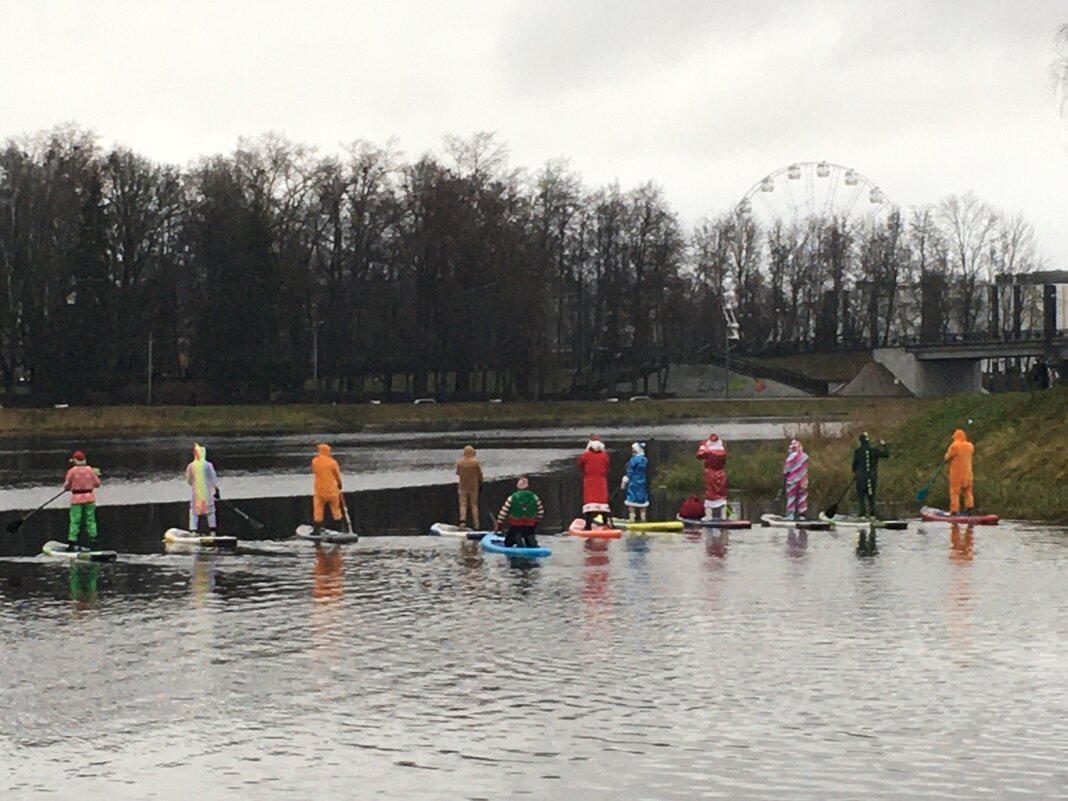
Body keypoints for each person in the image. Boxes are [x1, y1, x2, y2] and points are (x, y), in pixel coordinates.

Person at [64, 450, 101, 550]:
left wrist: (68, 487)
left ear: (75, 460)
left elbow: (67, 486)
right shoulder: (90, 470)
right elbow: (97, 484)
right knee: (90, 519)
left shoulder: (72, 471)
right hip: (90, 498)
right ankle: (93, 539)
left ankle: (72, 541)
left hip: (76, 499)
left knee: (75, 520)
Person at [494, 476, 545, 548]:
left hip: (515, 526)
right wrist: (537, 521)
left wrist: (499, 523)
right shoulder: (534, 497)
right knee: (530, 540)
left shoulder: (512, 497)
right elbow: (541, 511)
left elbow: (503, 512)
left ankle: (518, 542)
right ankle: (530, 543)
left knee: (508, 543)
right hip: (529, 525)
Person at [852, 432, 889, 519]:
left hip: (861, 478)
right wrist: (884, 445)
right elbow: (886, 455)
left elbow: (854, 467)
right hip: (872, 478)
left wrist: (856, 473)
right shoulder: (874, 451)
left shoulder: (857, 452)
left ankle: (862, 515)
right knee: (871, 496)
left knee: (861, 496)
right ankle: (872, 515)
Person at [185, 443, 221, 534]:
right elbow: (213, 478)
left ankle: (193, 531)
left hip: (196, 494)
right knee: (211, 511)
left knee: (194, 512)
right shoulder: (208, 465)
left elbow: (188, 480)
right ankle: (213, 531)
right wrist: (216, 490)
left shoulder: (191, 466)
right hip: (207, 494)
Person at [576, 435, 610, 529]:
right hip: (601, 481)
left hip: (589, 481)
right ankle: (605, 524)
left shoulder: (586, 455)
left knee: (590, 503)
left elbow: (579, 464)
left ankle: (588, 525)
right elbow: (607, 466)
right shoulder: (604, 456)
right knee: (602, 502)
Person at [311, 443, 345, 534]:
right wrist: (340, 484)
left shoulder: (315, 461)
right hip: (332, 490)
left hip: (319, 490)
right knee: (335, 510)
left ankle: (316, 530)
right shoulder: (333, 462)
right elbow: (337, 475)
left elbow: (314, 471)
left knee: (318, 510)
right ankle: (339, 529)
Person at [696, 433, 728, 520]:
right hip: (721, 474)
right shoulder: (722, 452)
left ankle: (708, 516)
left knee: (710, 493)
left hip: (710, 474)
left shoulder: (709, 452)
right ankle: (723, 516)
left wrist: (703, 446)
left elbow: (699, 455)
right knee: (721, 494)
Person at [944, 428, 974, 515]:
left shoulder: (954, 446)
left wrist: (946, 456)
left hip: (957, 474)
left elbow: (947, 457)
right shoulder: (970, 446)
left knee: (955, 492)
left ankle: (954, 511)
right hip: (968, 474)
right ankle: (969, 508)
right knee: (968, 491)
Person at [455, 445, 483, 528]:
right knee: (474, 505)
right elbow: (480, 475)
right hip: (474, 486)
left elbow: (458, 473)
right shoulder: (476, 463)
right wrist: (481, 482)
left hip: (463, 486)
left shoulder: (460, 463)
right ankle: (476, 523)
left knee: (463, 504)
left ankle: (462, 521)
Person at [621, 442, 650, 522]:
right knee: (642, 499)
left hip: (633, 482)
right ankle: (643, 518)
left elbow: (630, 471)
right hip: (642, 481)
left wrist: (625, 479)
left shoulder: (634, 460)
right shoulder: (644, 459)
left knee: (631, 499)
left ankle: (632, 518)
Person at [782, 438, 809, 520]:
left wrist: (785, 476)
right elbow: (806, 468)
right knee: (802, 497)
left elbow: (786, 469)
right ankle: (802, 515)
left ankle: (790, 514)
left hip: (792, 480)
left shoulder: (790, 458)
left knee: (791, 496)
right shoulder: (805, 456)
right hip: (803, 480)